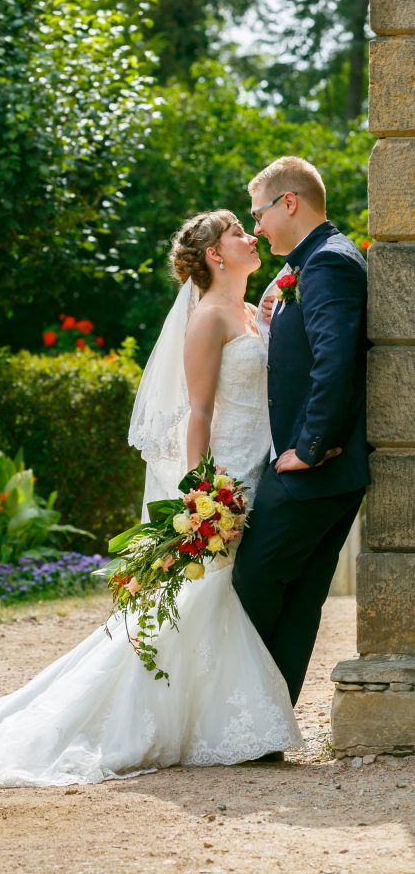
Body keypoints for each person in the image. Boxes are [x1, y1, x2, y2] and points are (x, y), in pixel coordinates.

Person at [0, 209, 303, 789]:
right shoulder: (207, 319)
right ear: (214, 256)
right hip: (225, 483)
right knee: (201, 598)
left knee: (210, 601)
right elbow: (198, 413)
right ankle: (159, 724)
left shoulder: (249, 312)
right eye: (236, 232)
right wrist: (201, 494)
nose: (249, 236)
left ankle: (210, 722)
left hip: (257, 469)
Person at [232, 157, 369, 758]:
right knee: (296, 596)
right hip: (325, 469)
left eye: (259, 212)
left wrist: (309, 449)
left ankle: (246, 728)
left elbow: (335, 362)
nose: (256, 227)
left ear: (289, 203)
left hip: (315, 467)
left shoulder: (329, 262)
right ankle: (264, 734)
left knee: (254, 582)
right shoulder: (307, 266)